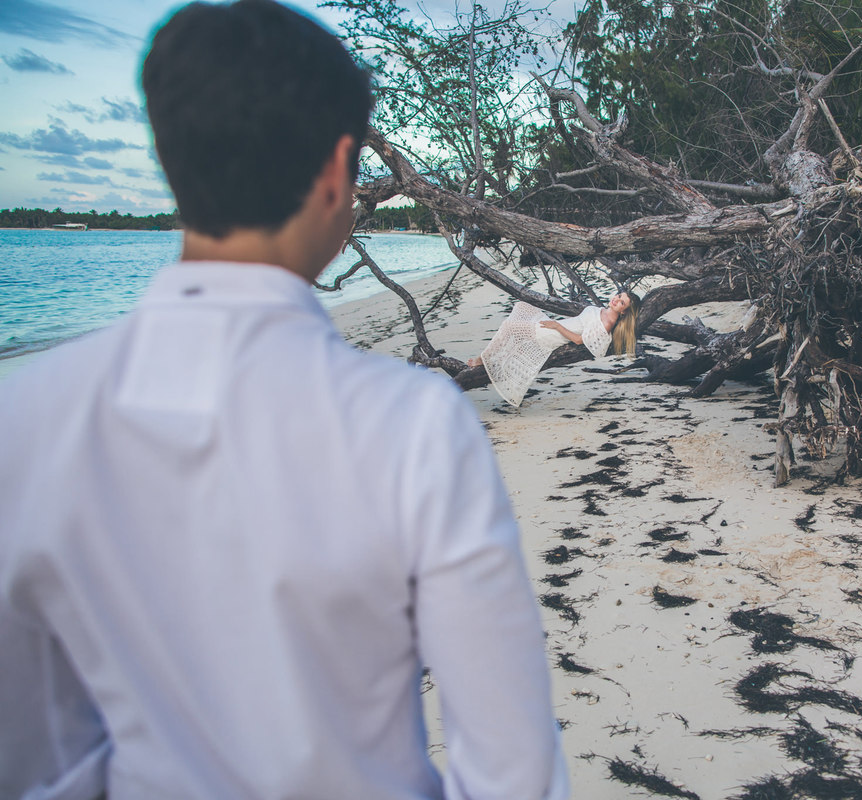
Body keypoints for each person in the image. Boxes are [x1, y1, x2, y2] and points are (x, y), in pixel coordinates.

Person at [0, 2, 568, 799]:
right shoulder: (413, 426)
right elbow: (513, 773)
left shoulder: (29, 417)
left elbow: (33, 757)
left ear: (173, 157)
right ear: (338, 170)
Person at [469, 291, 641, 406]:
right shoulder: (603, 310)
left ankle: (484, 358)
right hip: (556, 326)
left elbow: (579, 340)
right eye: (619, 296)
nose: (616, 300)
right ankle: (495, 357)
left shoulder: (607, 323)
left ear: (624, 312)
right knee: (520, 308)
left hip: (554, 333)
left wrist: (556, 326)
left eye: (622, 302)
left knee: (510, 327)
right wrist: (556, 324)